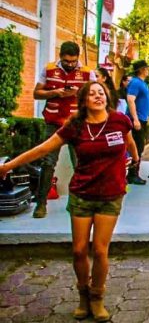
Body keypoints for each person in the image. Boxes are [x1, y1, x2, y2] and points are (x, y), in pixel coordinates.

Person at [0, 81, 139, 322]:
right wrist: (8, 166)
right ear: (84, 101)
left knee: (100, 249)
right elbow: (43, 149)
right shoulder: (74, 126)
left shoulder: (119, 120)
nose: (98, 96)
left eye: (101, 93)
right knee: (78, 250)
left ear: (107, 97)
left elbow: (129, 141)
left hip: (111, 195)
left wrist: (135, 158)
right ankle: (83, 295)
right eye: (92, 94)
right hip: (82, 194)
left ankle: (97, 298)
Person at [31, 41, 96, 218]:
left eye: (73, 61)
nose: (69, 64)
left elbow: (96, 96)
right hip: (53, 123)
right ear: (60, 57)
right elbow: (36, 93)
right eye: (66, 61)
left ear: (78, 59)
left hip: (76, 124)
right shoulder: (49, 69)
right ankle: (41, 204)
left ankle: (77, 203)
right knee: (48, 163)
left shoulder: (87, 73)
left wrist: (79, 94)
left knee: (80, 164)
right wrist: (56, 93)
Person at [125, 60, 149, 185]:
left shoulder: (142, 83)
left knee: (139, 146)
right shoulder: (136, 82)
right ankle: (132, 174)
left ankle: (134, 173)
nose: (148, 70)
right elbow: (130, 100)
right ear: (141, 69)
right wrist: (135, 119)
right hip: (137, 119)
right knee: (136, 146)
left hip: (142, 118)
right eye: (146, 68)